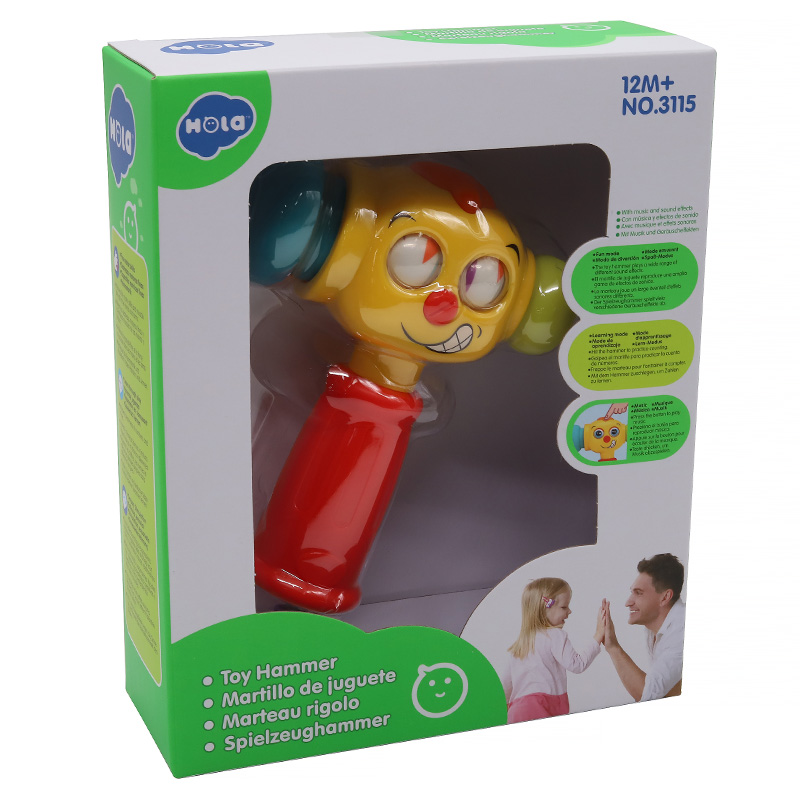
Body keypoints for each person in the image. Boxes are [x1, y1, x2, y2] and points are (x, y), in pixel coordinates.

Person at [502, 577, 606, 723]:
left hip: (516, 712)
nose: (569, 611)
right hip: (541, 708)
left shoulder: (519, 645)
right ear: (544, 607)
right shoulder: (555, 635)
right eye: (564, 607)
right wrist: (598, 635)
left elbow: (505, 687)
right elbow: (577, 665)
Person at [603, 553, 685, 701]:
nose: (628, 602)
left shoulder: (680, 631)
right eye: (632, 592)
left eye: (638, 593)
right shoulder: (654, 627)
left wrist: (613, 647)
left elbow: (649, 695)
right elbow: (665, 689)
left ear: (665, 597)